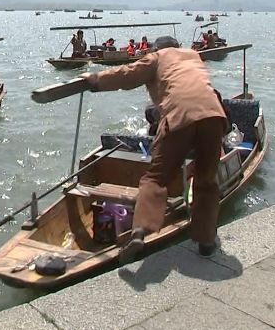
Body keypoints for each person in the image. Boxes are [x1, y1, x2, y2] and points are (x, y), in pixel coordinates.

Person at [79, 35, 228, 264]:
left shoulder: (156, 57)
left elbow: (126, 75)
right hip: (213, 116)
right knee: (207, 181)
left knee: (156, 179)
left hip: (179, 116)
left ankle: (139, 232)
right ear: (177, 47)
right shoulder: (193, 55)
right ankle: (206, 242)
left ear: (156, 49)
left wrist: (95, 79)